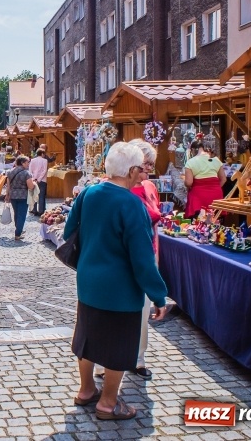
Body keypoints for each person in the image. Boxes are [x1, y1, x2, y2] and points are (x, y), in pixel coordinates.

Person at [63, 142, 168, 420]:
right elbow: (143, 259)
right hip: (121, 289)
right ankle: (108, 403)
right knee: (119, 344)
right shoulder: (132, 204)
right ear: (132, 170)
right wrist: (159, 296)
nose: (142, 174)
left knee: (87, 336)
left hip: (89, 280)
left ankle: (86, 390)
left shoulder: (88, 193)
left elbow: (68, 229)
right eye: (141, 169)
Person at [127, 139, 162, 380]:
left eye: (151, 164)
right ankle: (106, 360)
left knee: (143, 310)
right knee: (123, 310)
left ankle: (138, 357)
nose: (149, 169)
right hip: (130, 256)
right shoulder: (124, 190)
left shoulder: (150, 187)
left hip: (151, 251)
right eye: (145, 164)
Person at [184, 139, 227, 218]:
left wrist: (185, 182)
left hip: (199, 196)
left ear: (193, 150)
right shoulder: (216, 160)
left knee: (198, 223)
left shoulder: (190, 162)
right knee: (217, 221)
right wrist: (215, 187)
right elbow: (223, 179)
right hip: (215, 195)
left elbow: (189, 182)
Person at [4, 156, 36, 241]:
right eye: (27, 162)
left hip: (13, 196)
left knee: (16, 213)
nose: (28, 164)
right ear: (22, 163)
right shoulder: (26, 173)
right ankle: (18, 233)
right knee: (22, 215)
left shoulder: (10, 172)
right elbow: (30, 186)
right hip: (23, 196)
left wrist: (7, 195)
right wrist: (34, 184)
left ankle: (19, 229)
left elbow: (8, 185)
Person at [28, 148, 49, 216]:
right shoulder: (45, 160)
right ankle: (41, 211)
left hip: (33, 179)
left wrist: (34, 178)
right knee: (41, 195)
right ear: (42, 154)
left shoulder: (32, 160)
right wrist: (39, 179)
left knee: (34, 195)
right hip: (42, 180)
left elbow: (30, 170)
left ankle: (34, 210)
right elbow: (44, 171)